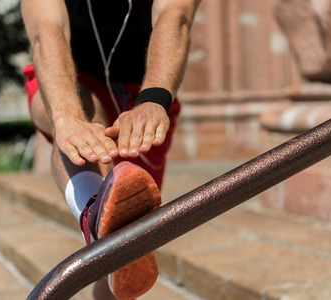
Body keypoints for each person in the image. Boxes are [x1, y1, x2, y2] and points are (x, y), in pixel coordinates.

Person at [21, 0, 201, 299]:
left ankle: (106, 234)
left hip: (145, 87)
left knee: (116, 284)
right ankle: (96, 218)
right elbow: (47, 29)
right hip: (72, 76)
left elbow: (175, 14)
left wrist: (154, 100)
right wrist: (67, 118)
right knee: (72, 119)